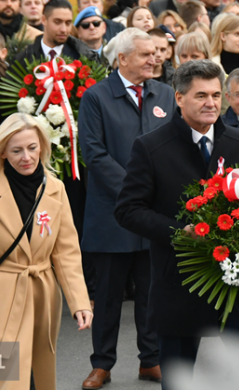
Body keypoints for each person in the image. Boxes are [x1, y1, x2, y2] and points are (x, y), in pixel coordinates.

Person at [114, 60, 239, 390]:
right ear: (179, 98)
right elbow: (128, 210)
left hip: (235, 281)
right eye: (201, 95)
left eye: (216, 95)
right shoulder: (150, 147)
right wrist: (179, 233)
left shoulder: (238, 140)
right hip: (180, 280)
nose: (211, 104)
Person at [0, 113, 92, 390]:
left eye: (32, 148)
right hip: (0, 292)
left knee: (38, 375)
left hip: (44, 293)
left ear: (42, 147)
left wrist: (79, 301)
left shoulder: (55, 188)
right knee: (6, 379)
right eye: (17, 150)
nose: (26, 157)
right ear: (3, 153)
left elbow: (66, 252)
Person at [78, 30, 173, 389]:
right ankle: (102, 364)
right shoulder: (96, 97)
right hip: (112, 214)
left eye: (157, 53)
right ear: (123, 59)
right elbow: (94, 154)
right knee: (108, 296)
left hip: (153, 215)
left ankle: (150, 360)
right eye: (147, 54)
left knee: (152, 292)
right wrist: (137, 190)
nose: (155, 59)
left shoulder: (164, 93)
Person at [13, 0, 95, 65]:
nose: (64, 29)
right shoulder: (23, 60)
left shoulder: (85, 57)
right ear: (44, 20)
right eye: (57, 22)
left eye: (68, 23)